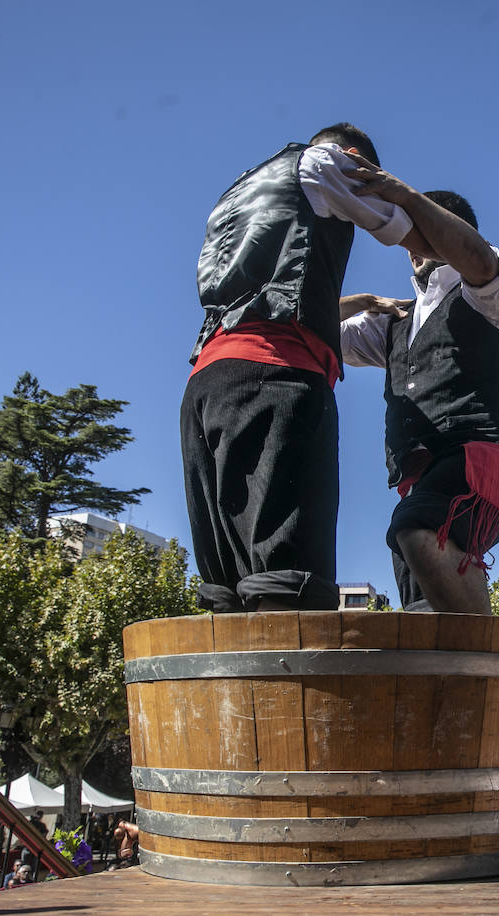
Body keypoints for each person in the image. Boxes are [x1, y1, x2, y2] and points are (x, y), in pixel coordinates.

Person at [183, 123, 433, 613]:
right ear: (355, 156)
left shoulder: (239, 188)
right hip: (273, 381)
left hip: (206, 385)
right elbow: (410, 230)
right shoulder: (327, 164)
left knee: (228, 589)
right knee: (287, 582)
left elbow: (272, 294)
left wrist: (359, 301)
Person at [340, 169, 499, 613]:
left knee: (416, 527)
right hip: (423, 482)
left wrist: (406, 198)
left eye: (421, 231)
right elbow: (304, 321)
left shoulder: (492, 292)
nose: (411, 245)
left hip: (487, 463)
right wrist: (358, 302)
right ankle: (459, 669)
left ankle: (485, 669)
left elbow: (474, 255)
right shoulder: (392, 322)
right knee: (420, 600)